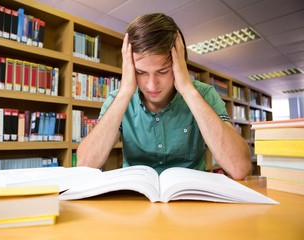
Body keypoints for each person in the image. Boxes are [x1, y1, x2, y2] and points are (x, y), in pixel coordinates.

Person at [77, 13, 251, 180]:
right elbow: (85, 165)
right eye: (141, 72)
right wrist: (124, 93)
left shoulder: (204, 94)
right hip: (135, 200)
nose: (152, 85)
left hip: (191, 200)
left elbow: (239, 168)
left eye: (163, 71)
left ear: (180, 65)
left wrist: (188, 90)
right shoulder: (118, 98)